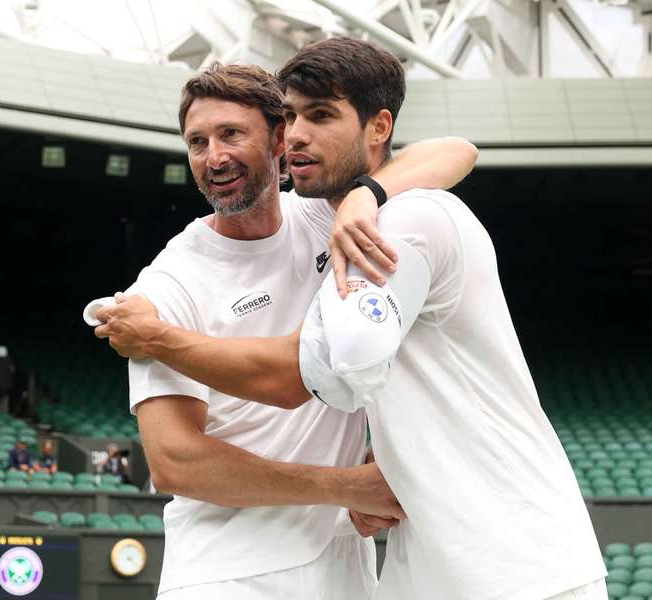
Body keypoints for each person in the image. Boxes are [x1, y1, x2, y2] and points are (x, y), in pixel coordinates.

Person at [97, 38, 607, 600]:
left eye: (233, 134)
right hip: (231, 572)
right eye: (197, 141)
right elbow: (172, 462)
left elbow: (456, 150)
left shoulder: (344, 218)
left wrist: (369, 194)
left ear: (274, 144)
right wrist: (346, 483)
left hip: (365, 565)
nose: (214, 156)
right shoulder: (165, 284)